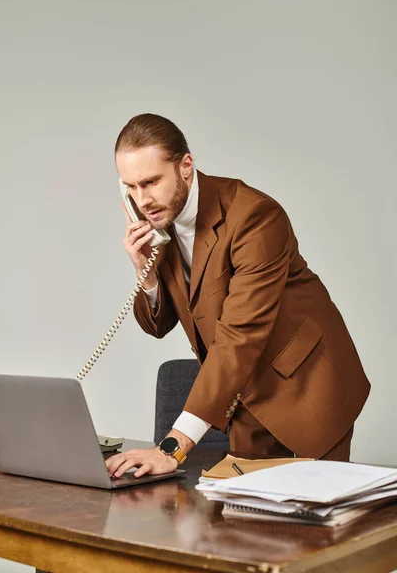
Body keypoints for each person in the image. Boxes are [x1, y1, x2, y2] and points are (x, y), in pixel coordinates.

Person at [106, 114, 370, 479]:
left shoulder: (255, 217)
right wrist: (145, 273)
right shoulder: (160, 224)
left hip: (308, 384)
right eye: (130, 187)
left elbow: (239, 337)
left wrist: (172, 447)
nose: (142, 200)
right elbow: (160, 325)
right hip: (241, 392)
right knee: (246, 521)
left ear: (185, 166)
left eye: (151, 182)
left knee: (315, 519)